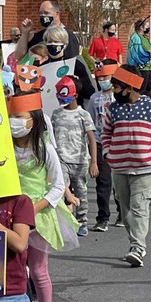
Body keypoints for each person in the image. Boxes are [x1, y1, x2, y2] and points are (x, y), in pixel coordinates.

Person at [10, 94, 78, 302]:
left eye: (18, 117)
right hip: (10, 216)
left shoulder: (43, 148)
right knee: (13, 269)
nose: (13, 122)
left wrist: (34, 209)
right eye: (11, 117)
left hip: (38, 215)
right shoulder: (5, 146)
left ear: (33, 120)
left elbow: (58, 186)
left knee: (38, 269)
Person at [101, 65, 151, 268]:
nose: (113, 90)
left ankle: (137, 247)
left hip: (144, 169)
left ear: (130, 86)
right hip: (119, 168)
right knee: (126, 211)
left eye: (116, 86)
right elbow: (105, 133)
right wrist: (107, 153)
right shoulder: (113, 109)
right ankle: (135, 243)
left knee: (140, 207)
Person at [51, 76, 97, 236]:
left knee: (81, 193)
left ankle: (82, 221)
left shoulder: (83, 115)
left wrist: (94, 163)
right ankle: (67, 222)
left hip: (80, 161)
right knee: (63, 191)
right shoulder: (56, 114)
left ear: (75, 95)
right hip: (61, 160)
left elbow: (91, 138)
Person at [89, 61, 118, 231]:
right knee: (103, 181)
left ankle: (122, 212)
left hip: (118, 142)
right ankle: (102, 217)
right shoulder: (95, 98)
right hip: (101, 142)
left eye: (105, 77)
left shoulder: (118, 97)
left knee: (121, 183)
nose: (102, 80)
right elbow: (92, 121)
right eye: (99, 77)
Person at [16, 0, 82, 62]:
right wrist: (25, 33)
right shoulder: (40, 36)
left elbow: (72, 61)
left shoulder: (67, 35)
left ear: (57, 14)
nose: (43, 16)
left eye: (46, 13)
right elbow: (19, 56)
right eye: (41, 13)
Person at [43, 25, 94, 103]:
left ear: (65, 44)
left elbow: (90, 92)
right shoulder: (43, 67)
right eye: (50, 42)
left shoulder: (75, 65)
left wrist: (78, 82)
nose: (53, 44)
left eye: (56, 41)